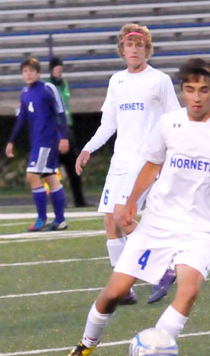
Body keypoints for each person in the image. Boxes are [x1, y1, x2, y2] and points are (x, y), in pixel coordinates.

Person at [63, 57, 210, 356]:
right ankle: (86, 345)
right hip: (156, 226)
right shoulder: (168, 124)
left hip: (199, 231)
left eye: (204, 90)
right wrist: (132, 201)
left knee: (188, 292)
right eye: (190, 90)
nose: (197, 97)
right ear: (183, 91)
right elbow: (151, 164)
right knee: (113, 293)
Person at [75, 23, 181, 304]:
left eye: (140, 45)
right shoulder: (116, 81)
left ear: (147, 49)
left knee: (125, 217)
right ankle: (125, 288)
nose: (134, 50)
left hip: (145, 162)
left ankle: (165, 268)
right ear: (122, 50)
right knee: (111, 223)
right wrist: (88, 148)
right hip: (120, 162)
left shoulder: (159, 80)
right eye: (129, 45)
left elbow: (175, 121)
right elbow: (109, 123)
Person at [5, 57, 69, 231]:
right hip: (37, 141)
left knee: (32, 176)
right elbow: (21, 119)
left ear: (39, 73)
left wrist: (64, 137)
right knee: (50, 177)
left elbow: (61, 112)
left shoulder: (48, 88)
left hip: (47, 140)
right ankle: (60, 220)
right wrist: (11, 140)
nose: (28, 74)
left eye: (31, 71)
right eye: (25, 71)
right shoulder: (25, 93)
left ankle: (41, 218)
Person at [46, 56, 88, 208]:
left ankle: (79, 200)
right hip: (54, 129)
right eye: (57, 68)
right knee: (53, 169)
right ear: (52, 69)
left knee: (73, 166)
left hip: (67, 127)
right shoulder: (47, 85)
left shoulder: (64, 83)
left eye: (61, 68)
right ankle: (56, 201)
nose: (59, 71)